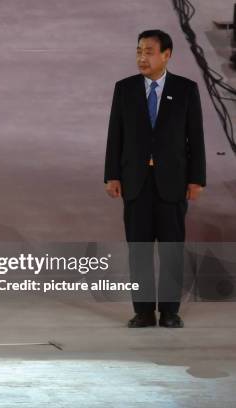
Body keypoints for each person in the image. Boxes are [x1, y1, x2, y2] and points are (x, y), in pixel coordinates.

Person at [104, 30, 206, 328]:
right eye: (139, 51)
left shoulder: (186, 89)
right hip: (135, 182)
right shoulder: (124, 89)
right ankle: (144, 311)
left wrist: (196, 179)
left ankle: (171, 311)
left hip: (173, 182)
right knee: (139, 250)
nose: (141, 57)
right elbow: (115, 135)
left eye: (149, 51)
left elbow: (195, 138)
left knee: (172, 249)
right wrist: (112, 175)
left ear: (167, 55)